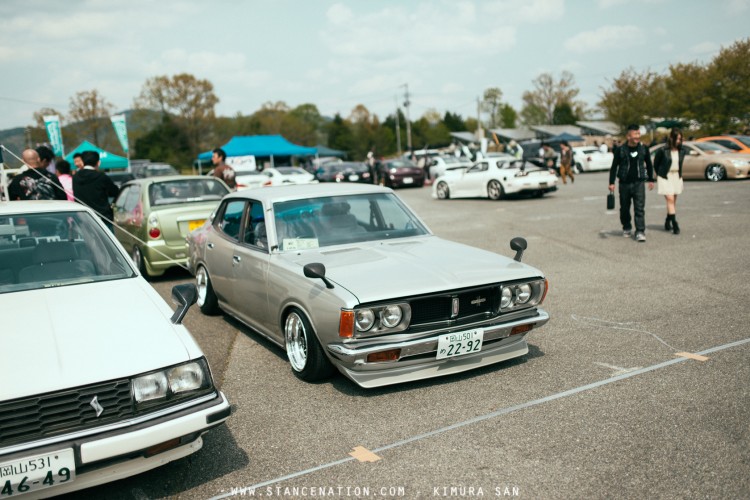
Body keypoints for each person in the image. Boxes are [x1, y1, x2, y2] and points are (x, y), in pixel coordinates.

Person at [608, 124, 655, 242]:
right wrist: (611, 182)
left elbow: (649, 164)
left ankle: (640, 231)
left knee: (639, 208)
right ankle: (627, 227)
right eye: (635, 134)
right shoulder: (620, 150)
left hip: (639, 183)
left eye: (639, 134)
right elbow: (614, 167)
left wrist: (650, 179)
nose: (638, 137)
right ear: (628, 136)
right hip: (624, 183)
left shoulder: (644, 149)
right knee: (624, 208)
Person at [73, 150, 120, 230]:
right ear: (98, 163)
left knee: (88, 242)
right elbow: (116, 192)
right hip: (103, 218)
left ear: (83, 162)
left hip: (83, 217)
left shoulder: (75, 177)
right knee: (106, 242)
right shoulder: (101, 177)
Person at [654, 128, 685, 235]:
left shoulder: (682, 151)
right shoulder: (663, 150)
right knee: (670, 199)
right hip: (665, 177)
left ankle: (668, 220)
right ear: (671, 138)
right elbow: (656, 164)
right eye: (677, 139)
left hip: (676, 176)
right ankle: (675, 224)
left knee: (672, 202)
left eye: (680, 139)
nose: (679, 141)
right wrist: (659, 174)